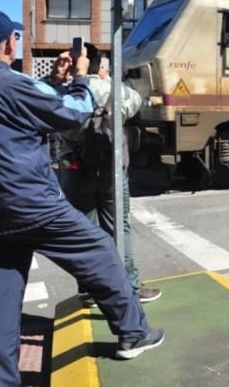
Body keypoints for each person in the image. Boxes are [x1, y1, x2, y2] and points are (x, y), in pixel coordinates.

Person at [0, 9, 164, 387]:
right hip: (29, 203)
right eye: (16, 40)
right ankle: (134, 333)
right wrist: (79, 78)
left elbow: (11, 109)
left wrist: (53, 82)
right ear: (8, 43)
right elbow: (73, 113)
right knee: (98, 249)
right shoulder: (11, 82)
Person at [44, 45, 160, 304]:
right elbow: (135, 102)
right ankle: (130, 285)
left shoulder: (62, 92)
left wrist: (58, 79)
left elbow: (44, 108)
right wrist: (108, 83)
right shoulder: (111, 89)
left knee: (84, 230)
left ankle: (88, 289)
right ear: (101, 66)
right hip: (111, 172)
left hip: (74, 170)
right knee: (119, 227)